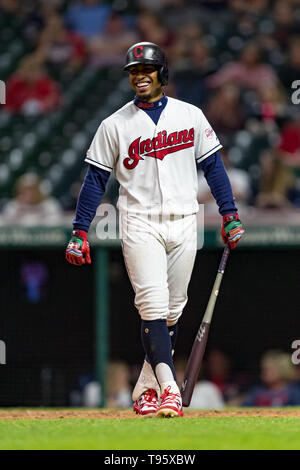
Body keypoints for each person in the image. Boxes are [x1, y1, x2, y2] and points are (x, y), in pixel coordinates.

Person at [65, 42, 245, 418]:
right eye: (133, 70)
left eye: (147, 69)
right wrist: (80, 230)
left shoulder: (190, 115)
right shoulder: (114, 124)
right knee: (152, 305)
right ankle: (169, 389)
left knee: (173, 312)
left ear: (162, 73)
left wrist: (230, 214)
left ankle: (146, 387)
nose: (140, 76)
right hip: (139, 222)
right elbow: (95, 180)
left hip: (184, 221)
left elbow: (213, 168)